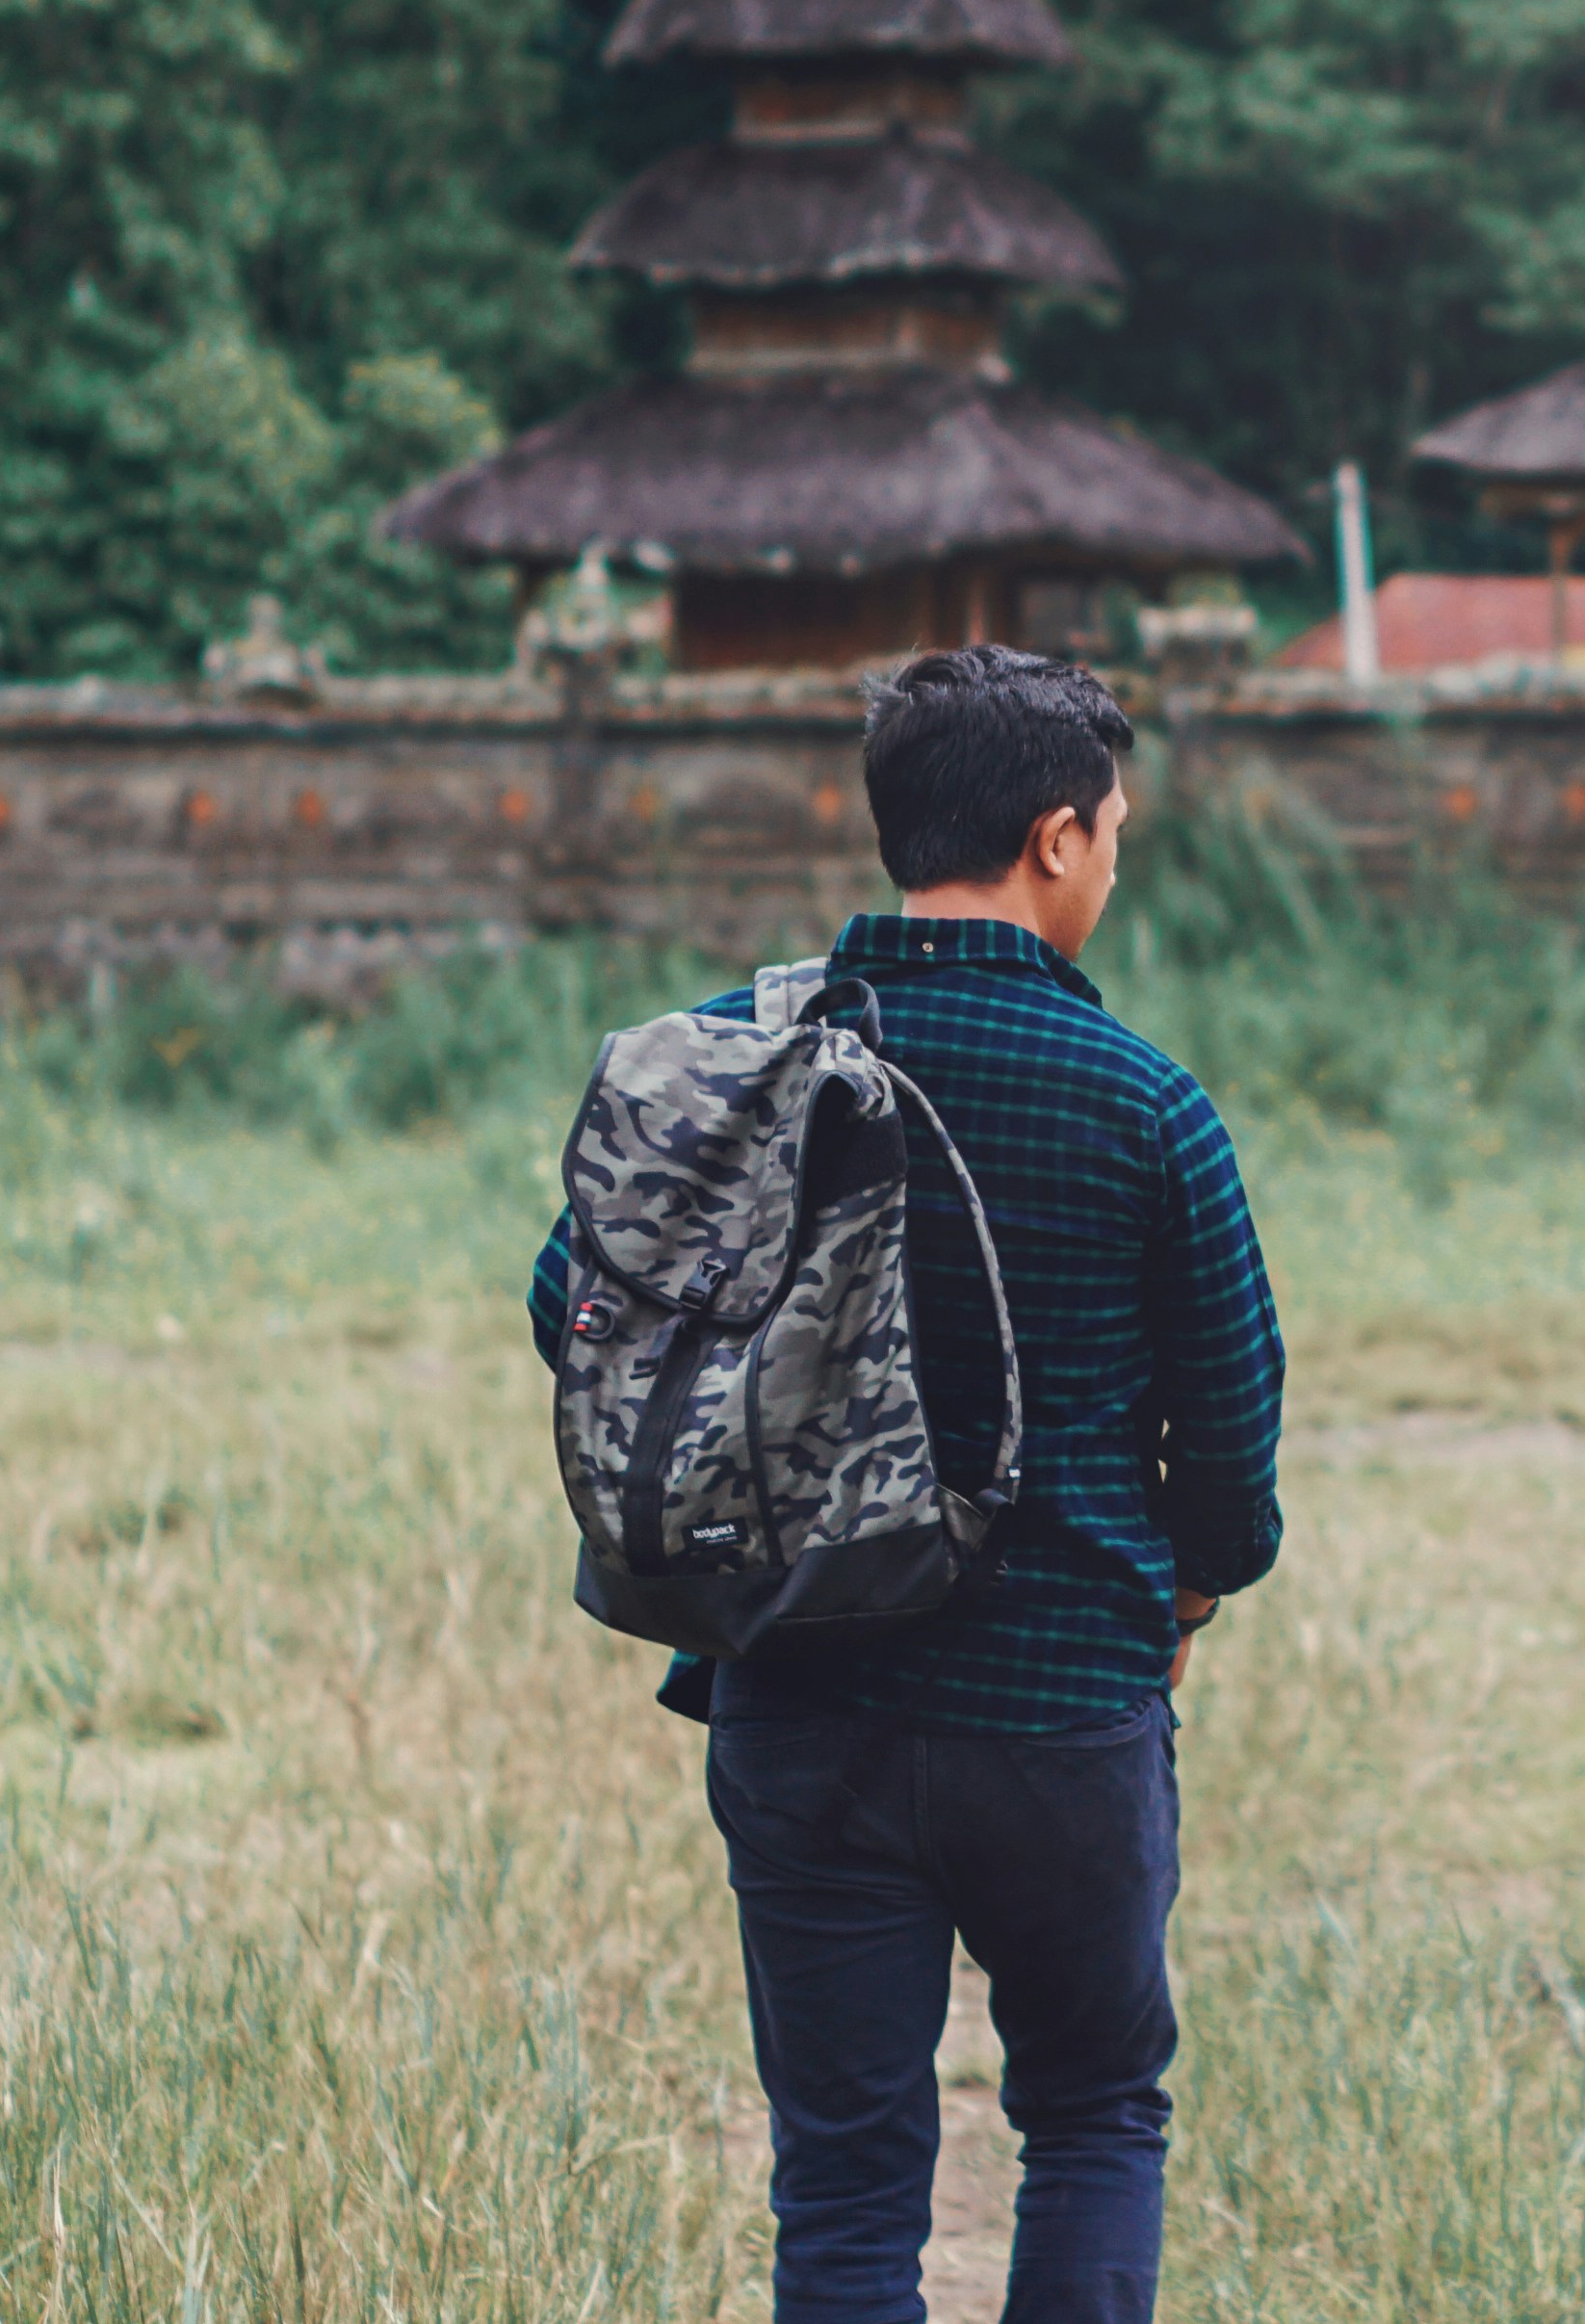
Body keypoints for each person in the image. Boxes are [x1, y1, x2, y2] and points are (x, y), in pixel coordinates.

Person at [529, 645, 1284, 2324]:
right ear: (1057, 839)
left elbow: (571, 1310)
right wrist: (1185, 1598)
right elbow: (1232, 1458)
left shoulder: (734, 1063)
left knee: (849, 2185)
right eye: (1114, 829)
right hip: (1065, 1713)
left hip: (797, 1700)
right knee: (1092, 2117)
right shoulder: (1146, 1106)